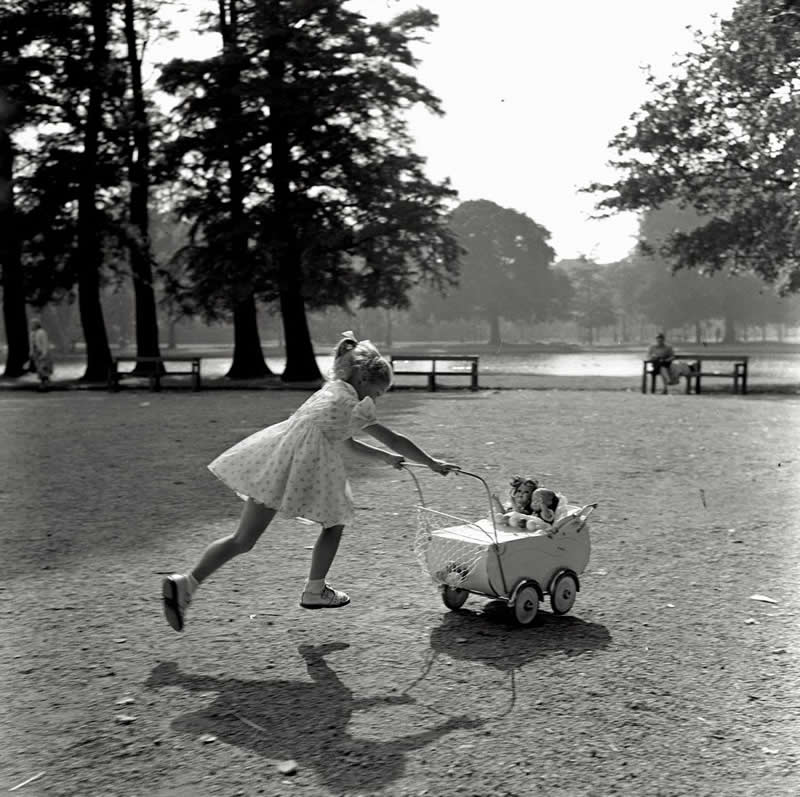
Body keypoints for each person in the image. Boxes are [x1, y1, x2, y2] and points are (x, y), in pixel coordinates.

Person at [162, 331, 460, 632]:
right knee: (334, 522)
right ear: (363, 381)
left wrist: (383, 458)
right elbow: (394, 438)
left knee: (243, 539)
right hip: (304, 467)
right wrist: (432, 463)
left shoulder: (331, 392)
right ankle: (315, 590)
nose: (377, 399)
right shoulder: (354, 402)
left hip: (275, 461)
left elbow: (344, 442)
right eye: (379, 393)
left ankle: (187, 583)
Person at [29, 318, 54, 391]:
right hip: (35, 352)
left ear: (37, 325)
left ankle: (45, 384)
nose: (32, 326)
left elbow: (45, 343)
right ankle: (44, 384)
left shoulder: (42, 332)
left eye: (33, 324)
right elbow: (31, 344)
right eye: (31, 324)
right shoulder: (32, 333)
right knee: (39, 369)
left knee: (43, 368)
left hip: (42, 352)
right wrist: (31, 353)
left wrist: (44, 353)